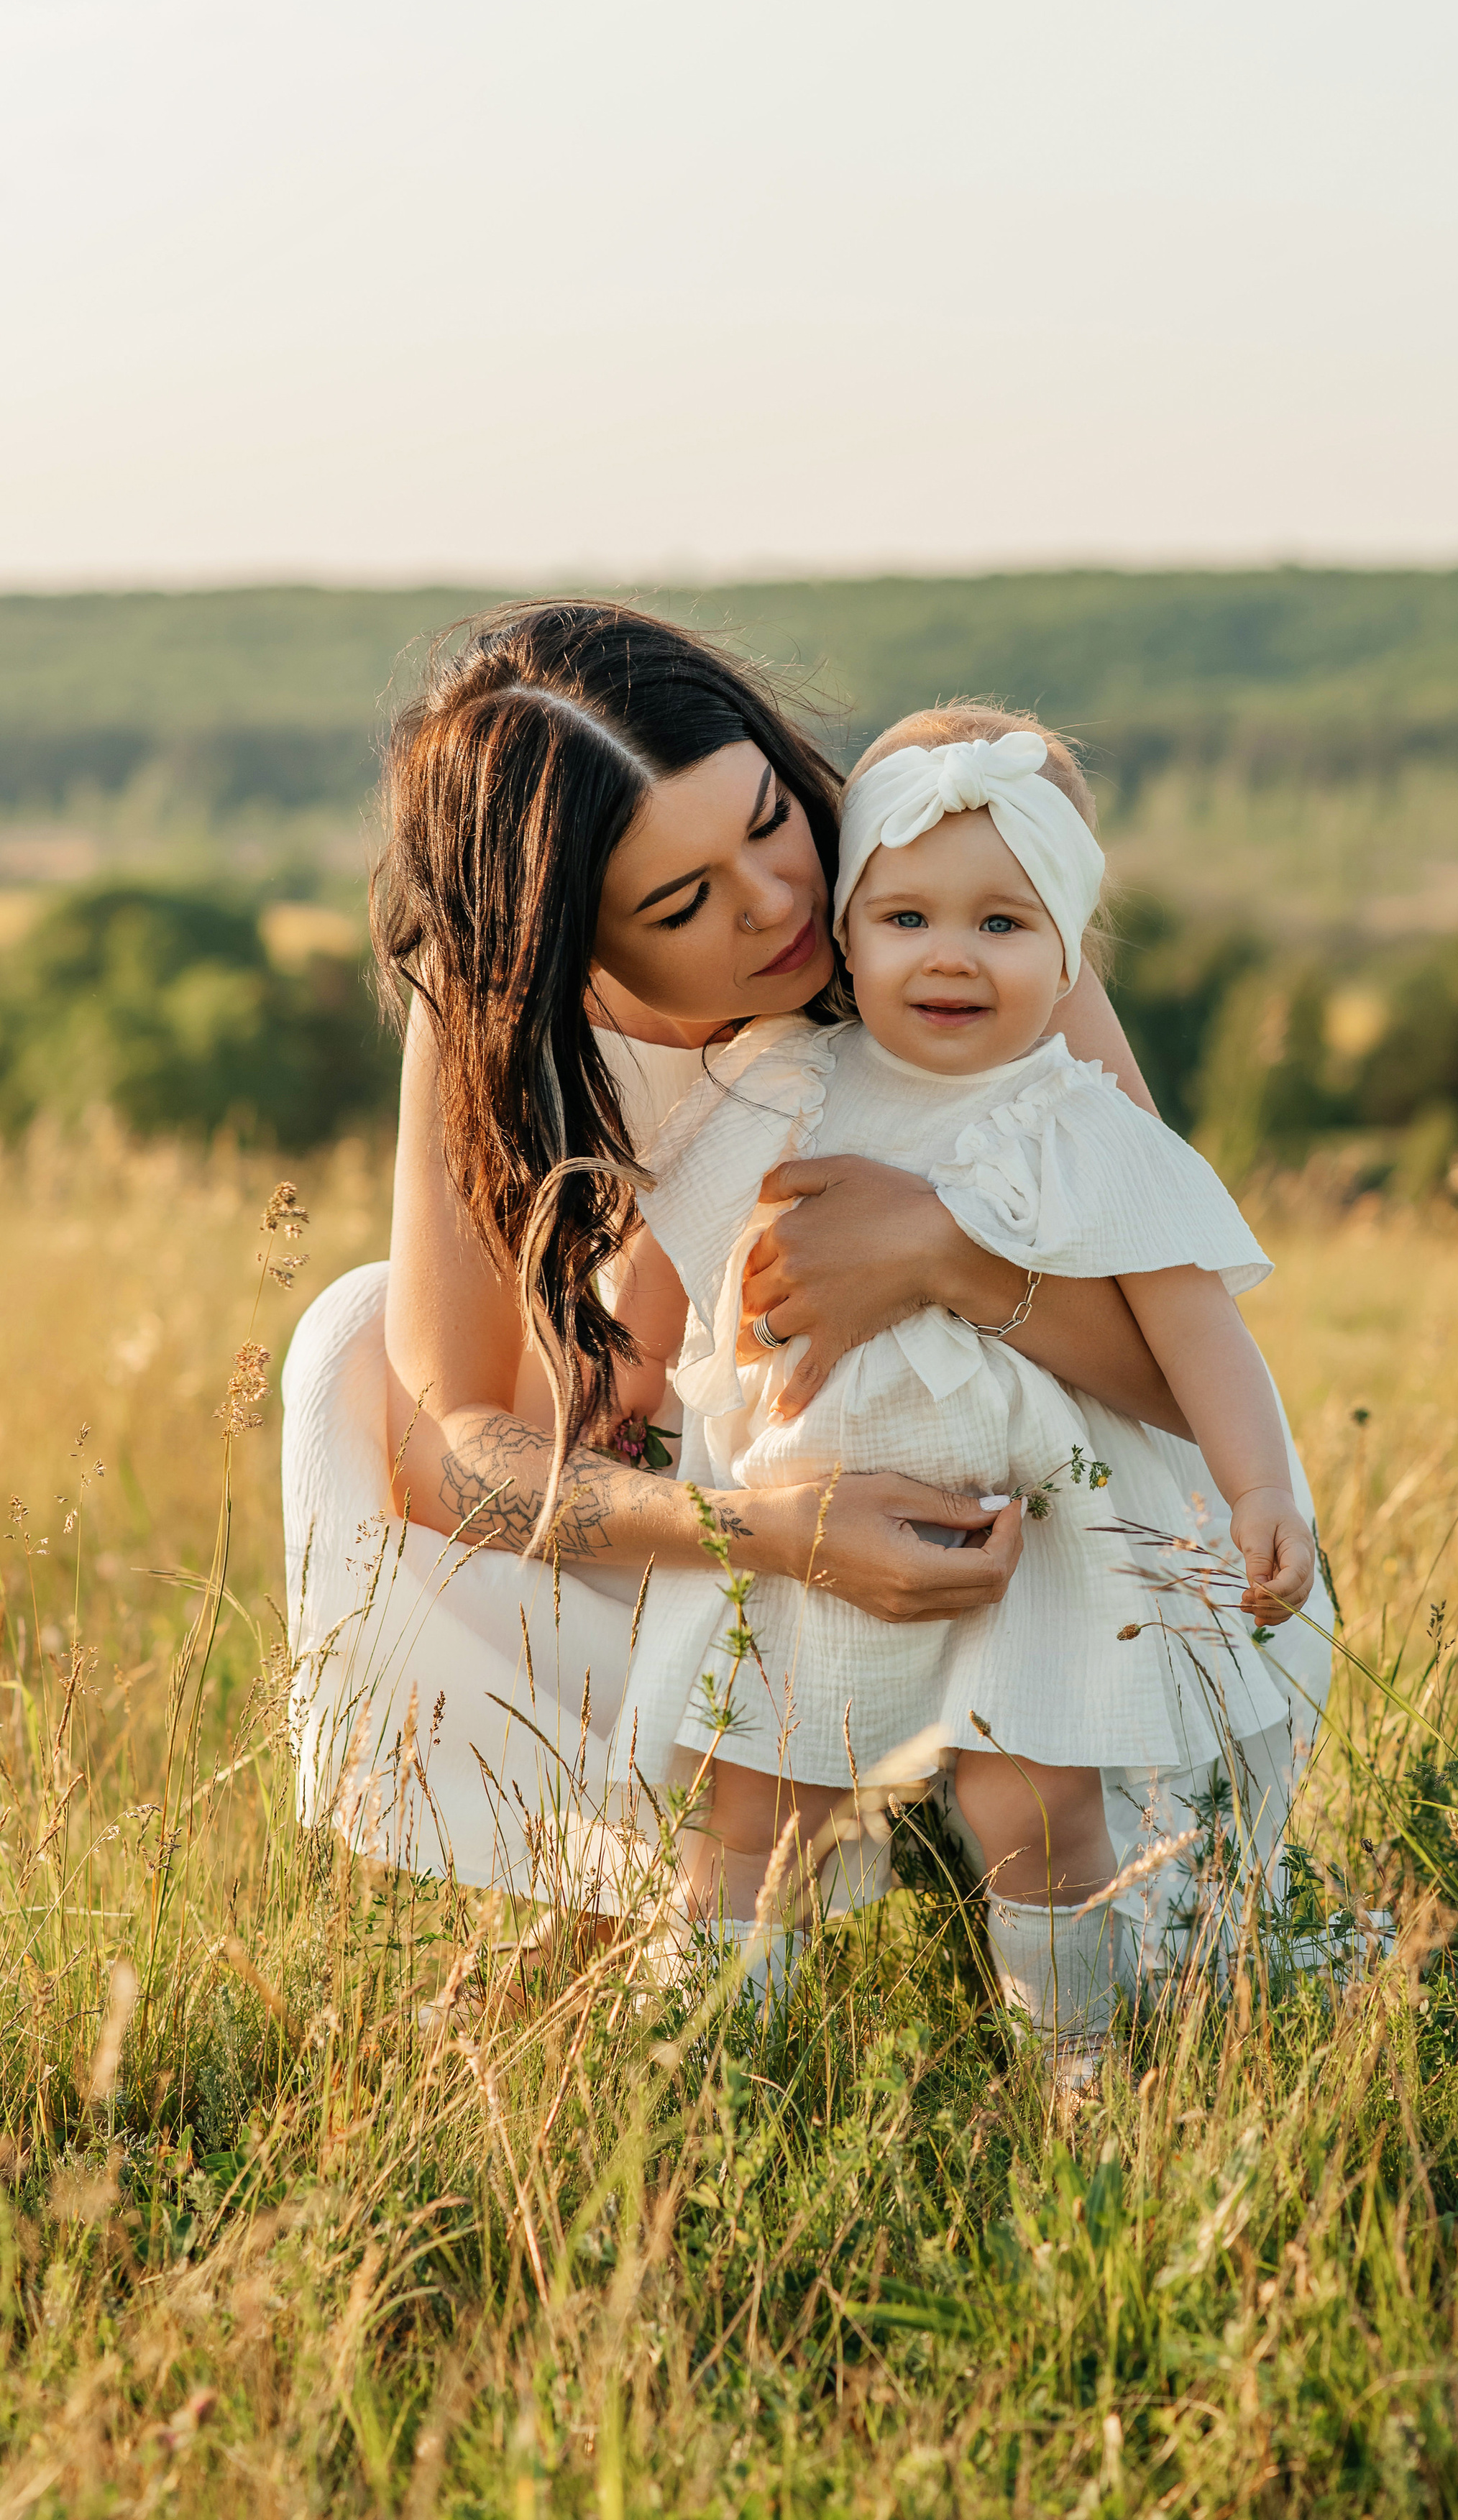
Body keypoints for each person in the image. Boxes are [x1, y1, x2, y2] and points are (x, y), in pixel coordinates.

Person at [281, 602, 1210, 1902]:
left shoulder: (938, 893)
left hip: (1053, 1548)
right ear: (564, 945)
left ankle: (987, 1843)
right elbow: (450, 1457)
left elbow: (1188, 1375)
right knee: (351, 1349)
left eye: (771, 820)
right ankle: (616, 1872)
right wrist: (767, 1531)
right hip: (776, 1515)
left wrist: (945, 1258)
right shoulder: (491, 1005)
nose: (782, 902)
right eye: (682, 900)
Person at [597, 709, 1331, 2043]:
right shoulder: (783, 1087)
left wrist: (1261, 1486)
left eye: (1004, 923)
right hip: (810, 1519)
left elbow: (1197, 1327)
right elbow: (674, 1250)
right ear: (850, 931)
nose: (952, 955)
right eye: (908, 918)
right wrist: (628, 1384)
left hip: (1029, 1539)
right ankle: (704, 2063)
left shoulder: (1084, 1124)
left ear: (1069, 957)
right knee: (752, 1800)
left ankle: (1078, 2059)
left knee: (1034, 1806)